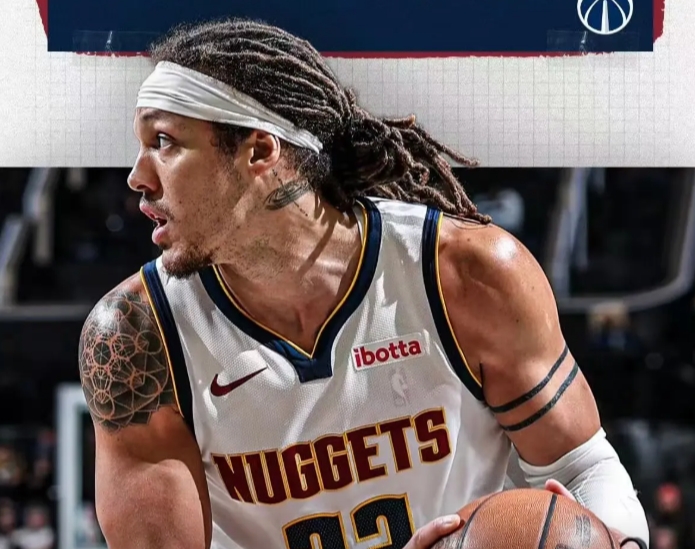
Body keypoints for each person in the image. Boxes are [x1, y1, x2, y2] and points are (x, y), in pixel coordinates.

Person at [77, 17, 649, 549]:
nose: (137, 177)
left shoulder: (462, 273)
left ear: (259, 150)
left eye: (164, 143)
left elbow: (582, 467)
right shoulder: (137, 337)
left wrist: (614, 540)